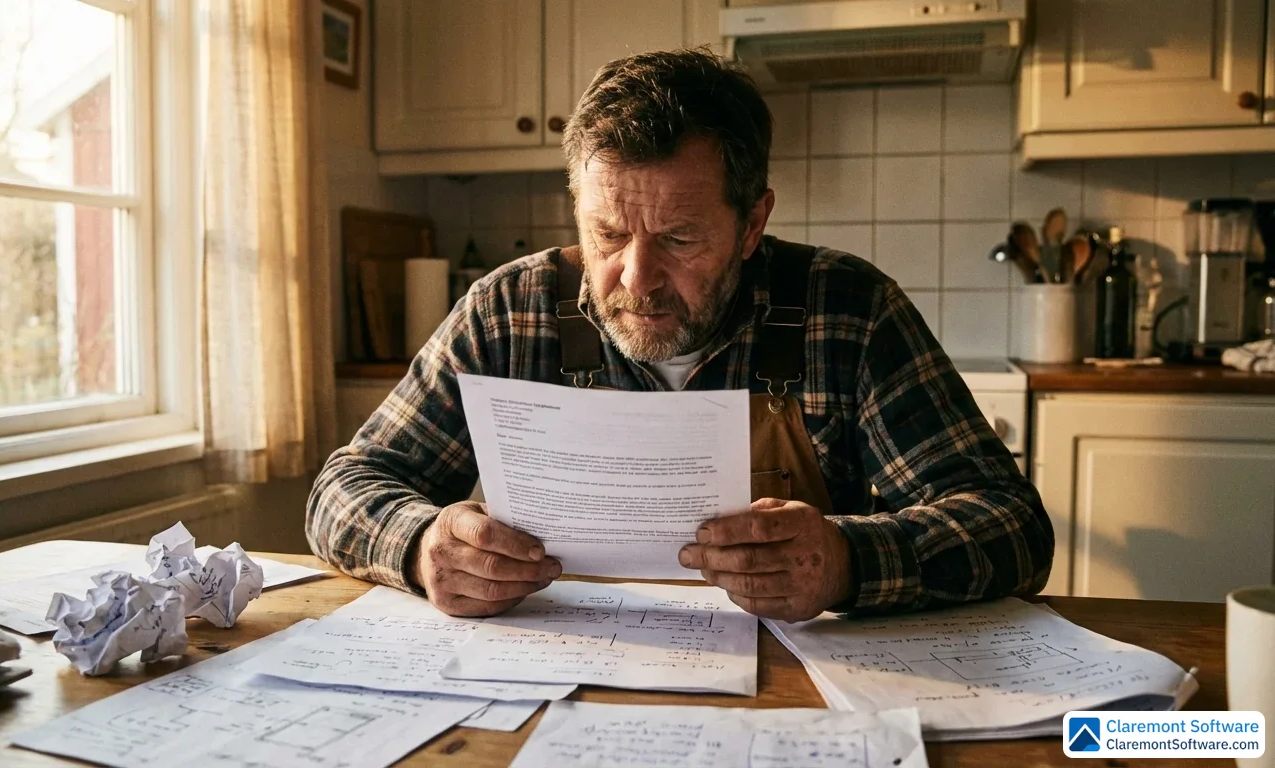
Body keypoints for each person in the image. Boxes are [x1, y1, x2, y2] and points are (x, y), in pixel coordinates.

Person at [306, 48, 1053, 622]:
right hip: (558, 677)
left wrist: (845, 562)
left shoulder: (847, 310)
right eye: (606, 234)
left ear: (753, 223)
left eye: (681, 239)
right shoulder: (511, 310)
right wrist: (418, 544)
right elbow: (341, 490)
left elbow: (1012, 526)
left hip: (798, 693)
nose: (636, 279)